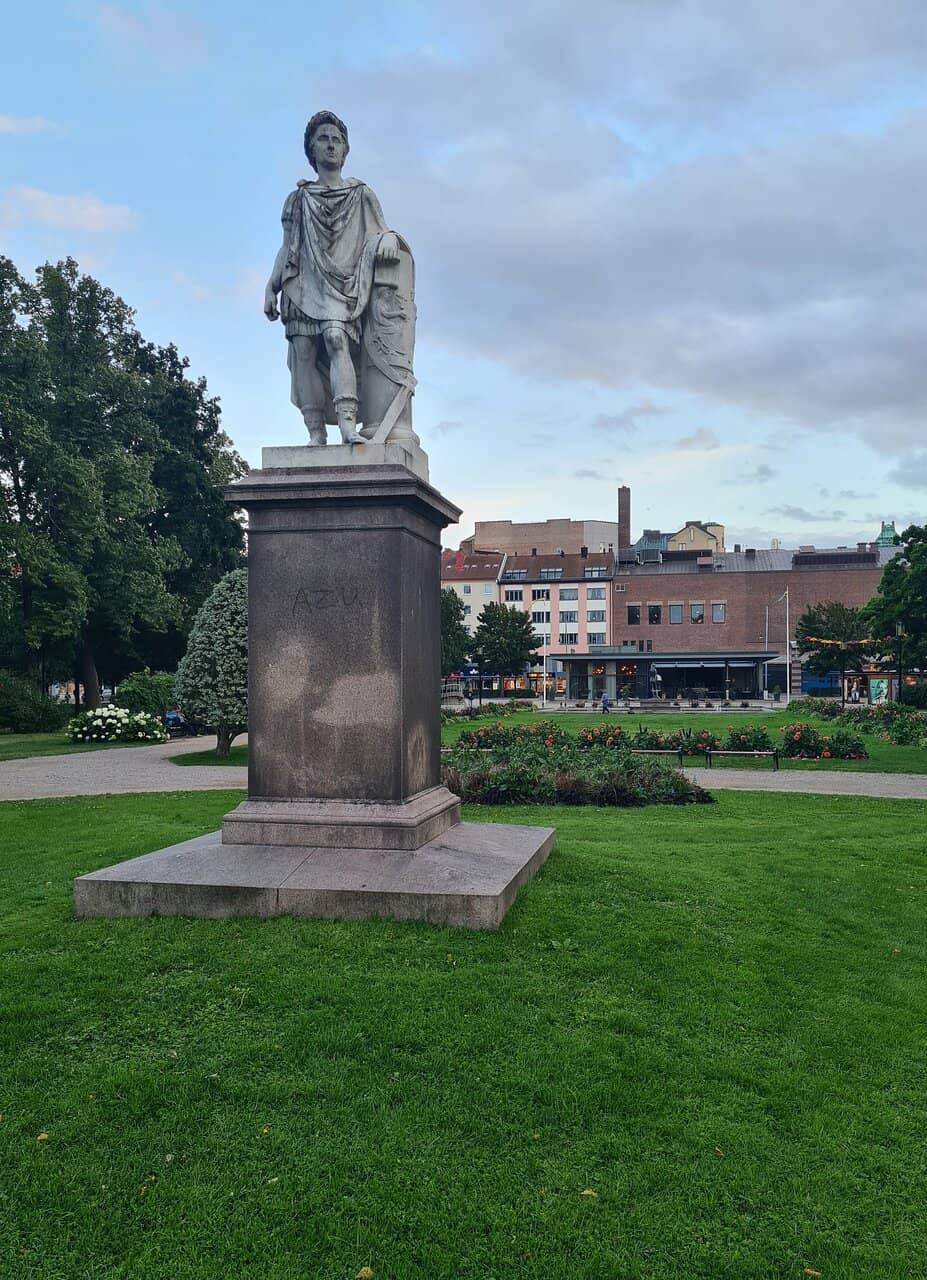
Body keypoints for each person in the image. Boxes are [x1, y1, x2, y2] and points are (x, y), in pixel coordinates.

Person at [263, 111, 407, 445]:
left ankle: (347, 427)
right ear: (311, 150)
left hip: (342, 285)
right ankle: (315, 433)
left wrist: (389, 239)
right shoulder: (298, 199)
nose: (330, 145)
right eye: (323, 139)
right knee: (304, 353)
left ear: (345, 150)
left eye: (336, 140)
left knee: (336, 338)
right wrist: (270, 287)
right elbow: (287, 248)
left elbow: (382, 232)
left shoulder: (361, 194)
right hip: (301, 283)